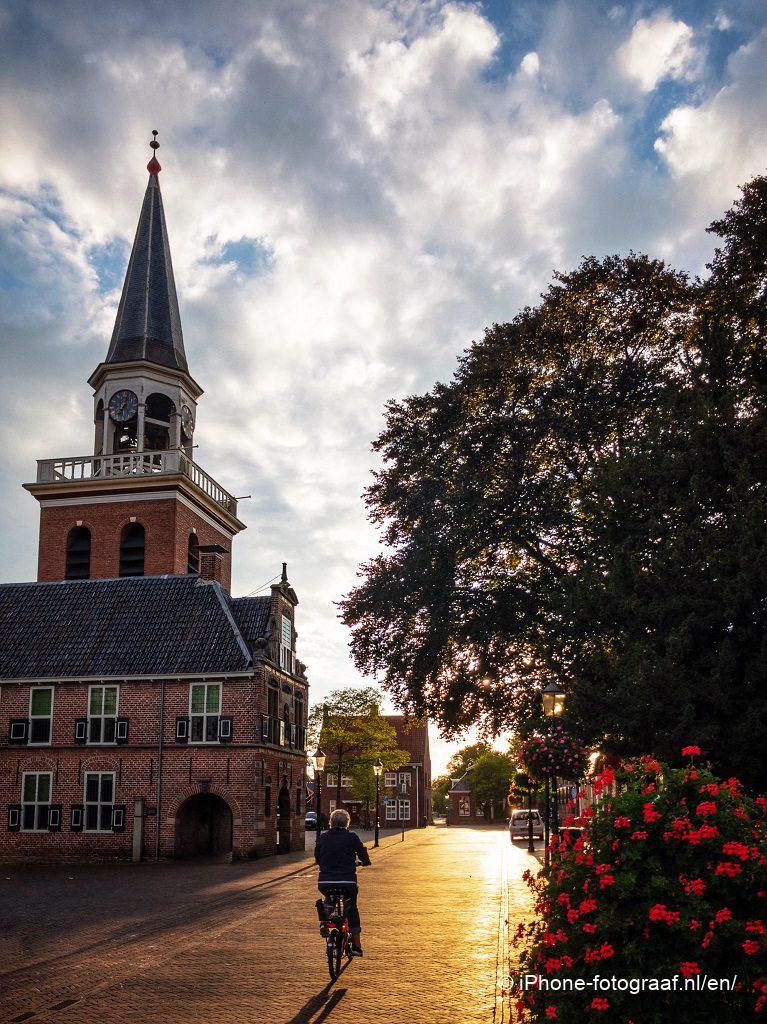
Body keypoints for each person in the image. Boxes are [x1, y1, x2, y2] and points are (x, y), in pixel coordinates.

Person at [315, 807, 371, 955]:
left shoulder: (322, 837)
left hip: (325, 881)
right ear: (347, 823)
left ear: (331, 823)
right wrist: (365, 861)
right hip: (347, 881)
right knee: (351, 907)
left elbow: (317, 858)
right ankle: (357, 946)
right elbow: (362, 853)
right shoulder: (351, 837)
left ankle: (325, 919)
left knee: (329, 896)